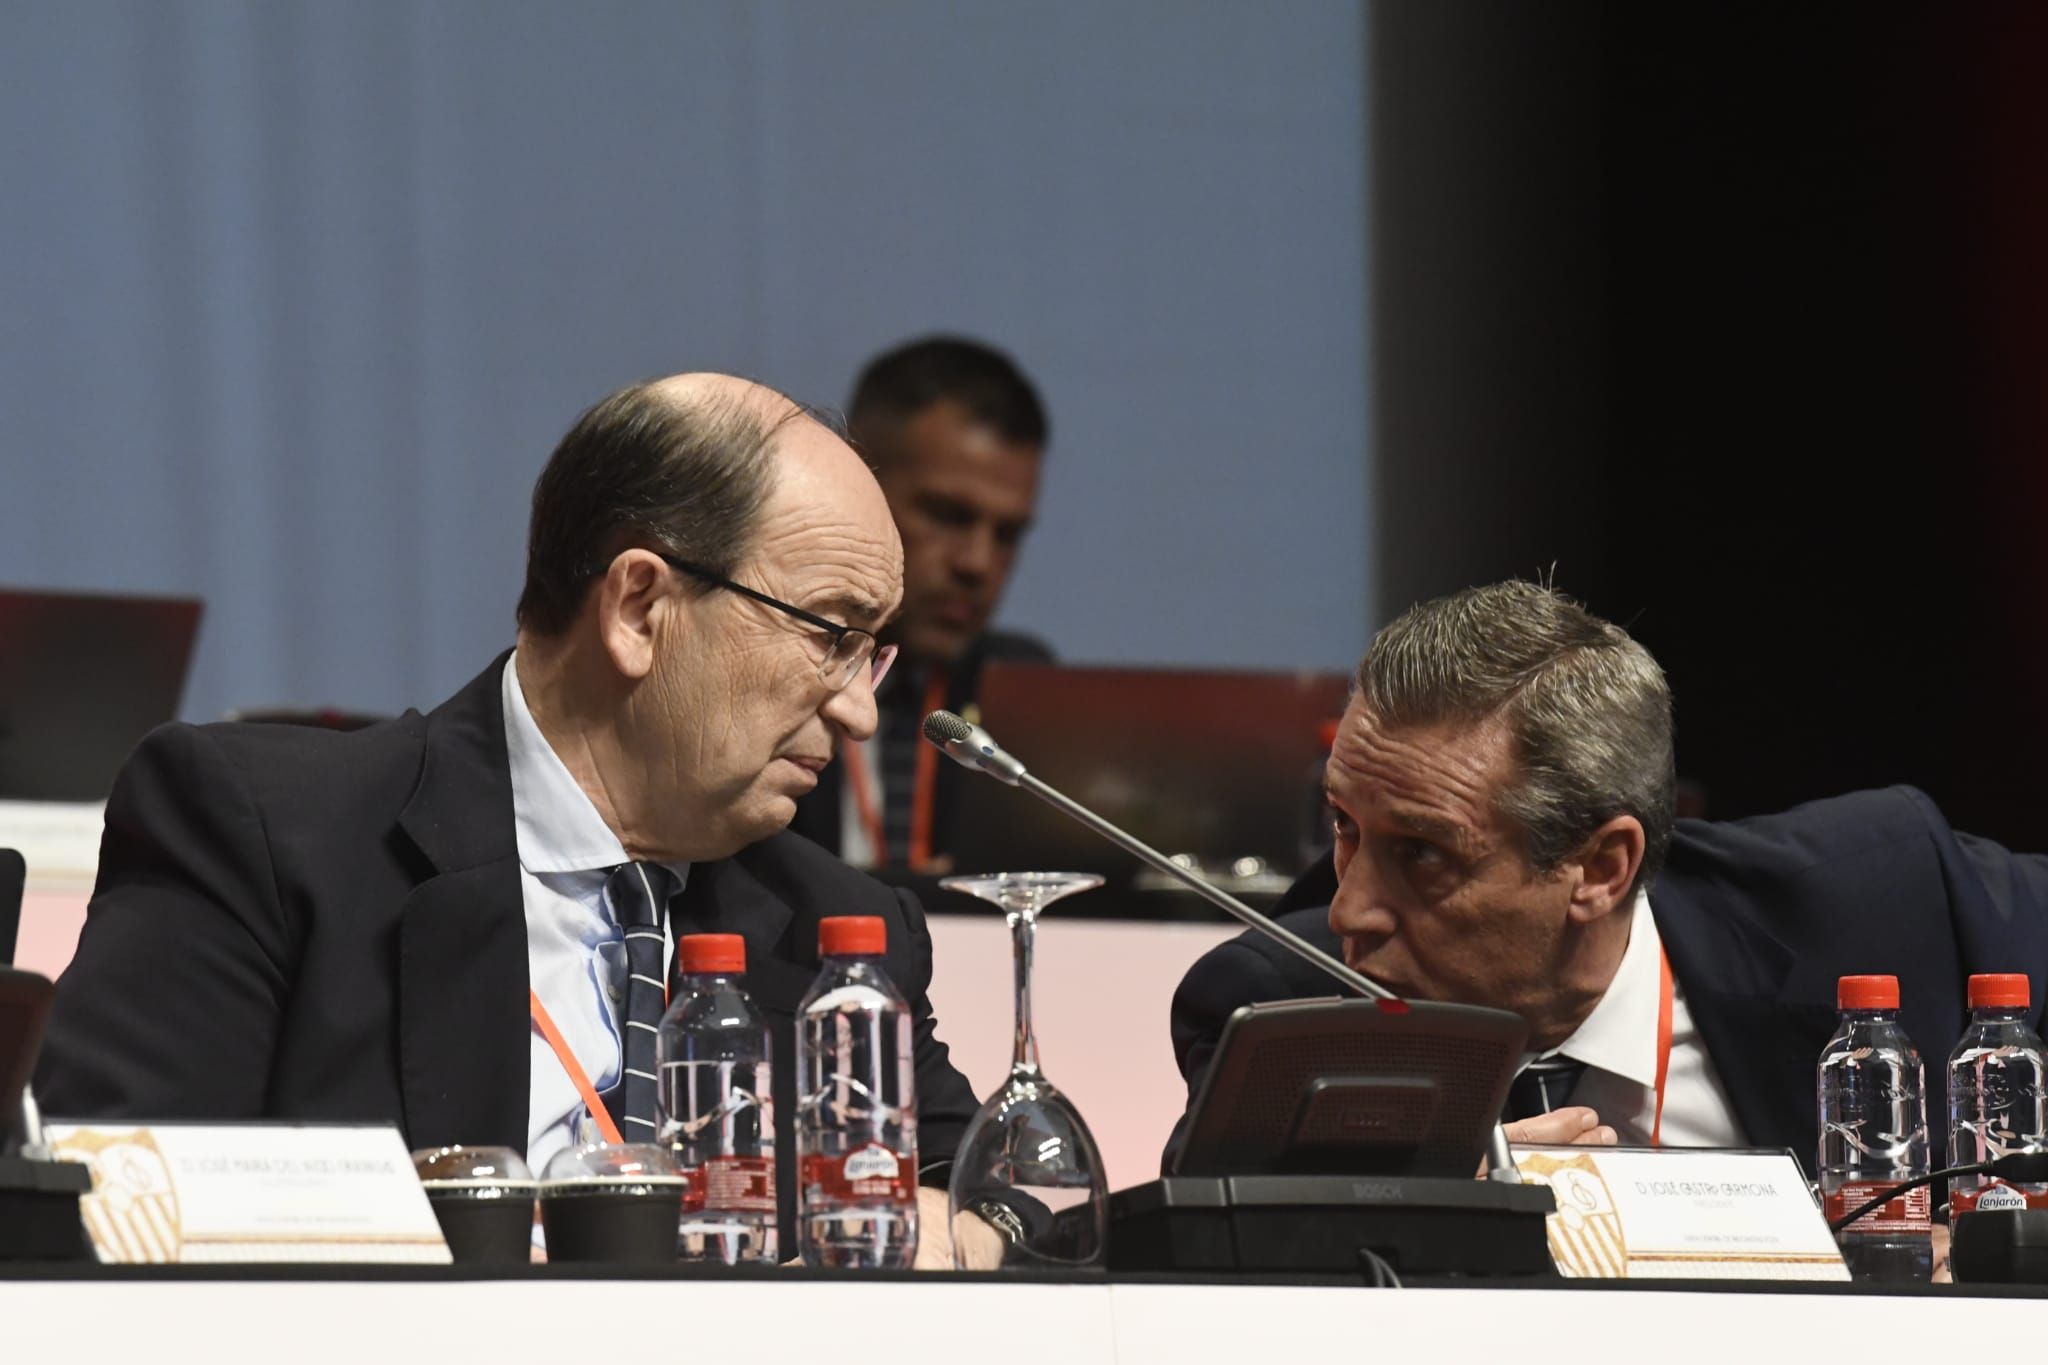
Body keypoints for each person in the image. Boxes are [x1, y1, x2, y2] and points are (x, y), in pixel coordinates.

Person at [35, 374, 994, 1264]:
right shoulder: (270, 835)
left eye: (871, 656)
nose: (860, 711)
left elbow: (1003, 1200)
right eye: (830, 635)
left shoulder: (834, 927)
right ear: (639, 607)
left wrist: (966, 1235)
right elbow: (99, 1206)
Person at [1165, 580, 2048, 1171]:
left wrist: (1998, 1238)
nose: (1351, 910)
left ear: (1599, 865)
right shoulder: (1281, 1006)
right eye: (1345, 827)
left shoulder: (1884, 896)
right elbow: (1195, 1268)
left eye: (1422, 853)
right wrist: (1422, 1216)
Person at [788, 336, 1051, 872]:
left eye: (1007, 535)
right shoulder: (772, 667)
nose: (977, 563)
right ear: (857, 480)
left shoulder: (1018, 691)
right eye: (948, 516)